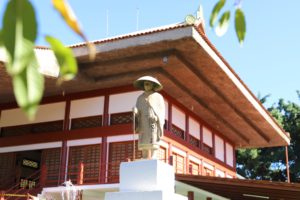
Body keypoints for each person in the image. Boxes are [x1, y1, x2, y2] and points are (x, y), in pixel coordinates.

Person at [133, 76, 165, 159]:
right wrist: (135, 112)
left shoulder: (158, 97)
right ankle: (144, 156)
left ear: (152, 85)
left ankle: (153, 155)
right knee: (143, 136)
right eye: (145, 84)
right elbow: (138, 109)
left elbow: (161, 109)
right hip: (143, 120)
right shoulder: (140, 98)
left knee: (153, 136)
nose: (146, 85)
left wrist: (157, 118)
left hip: (152, 120)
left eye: (148, 84)